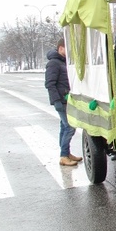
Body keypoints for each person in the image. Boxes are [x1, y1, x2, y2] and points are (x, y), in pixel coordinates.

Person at [45, 38, 80, 166]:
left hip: (66, 99)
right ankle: (64, 156)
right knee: (70, 127)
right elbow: (50, 84)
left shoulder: (62, 62)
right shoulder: (54, 63)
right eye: (68, 48)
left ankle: (66, 153)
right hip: (61, 101)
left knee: (64, 127)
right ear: (61, 48)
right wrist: (56, 101)